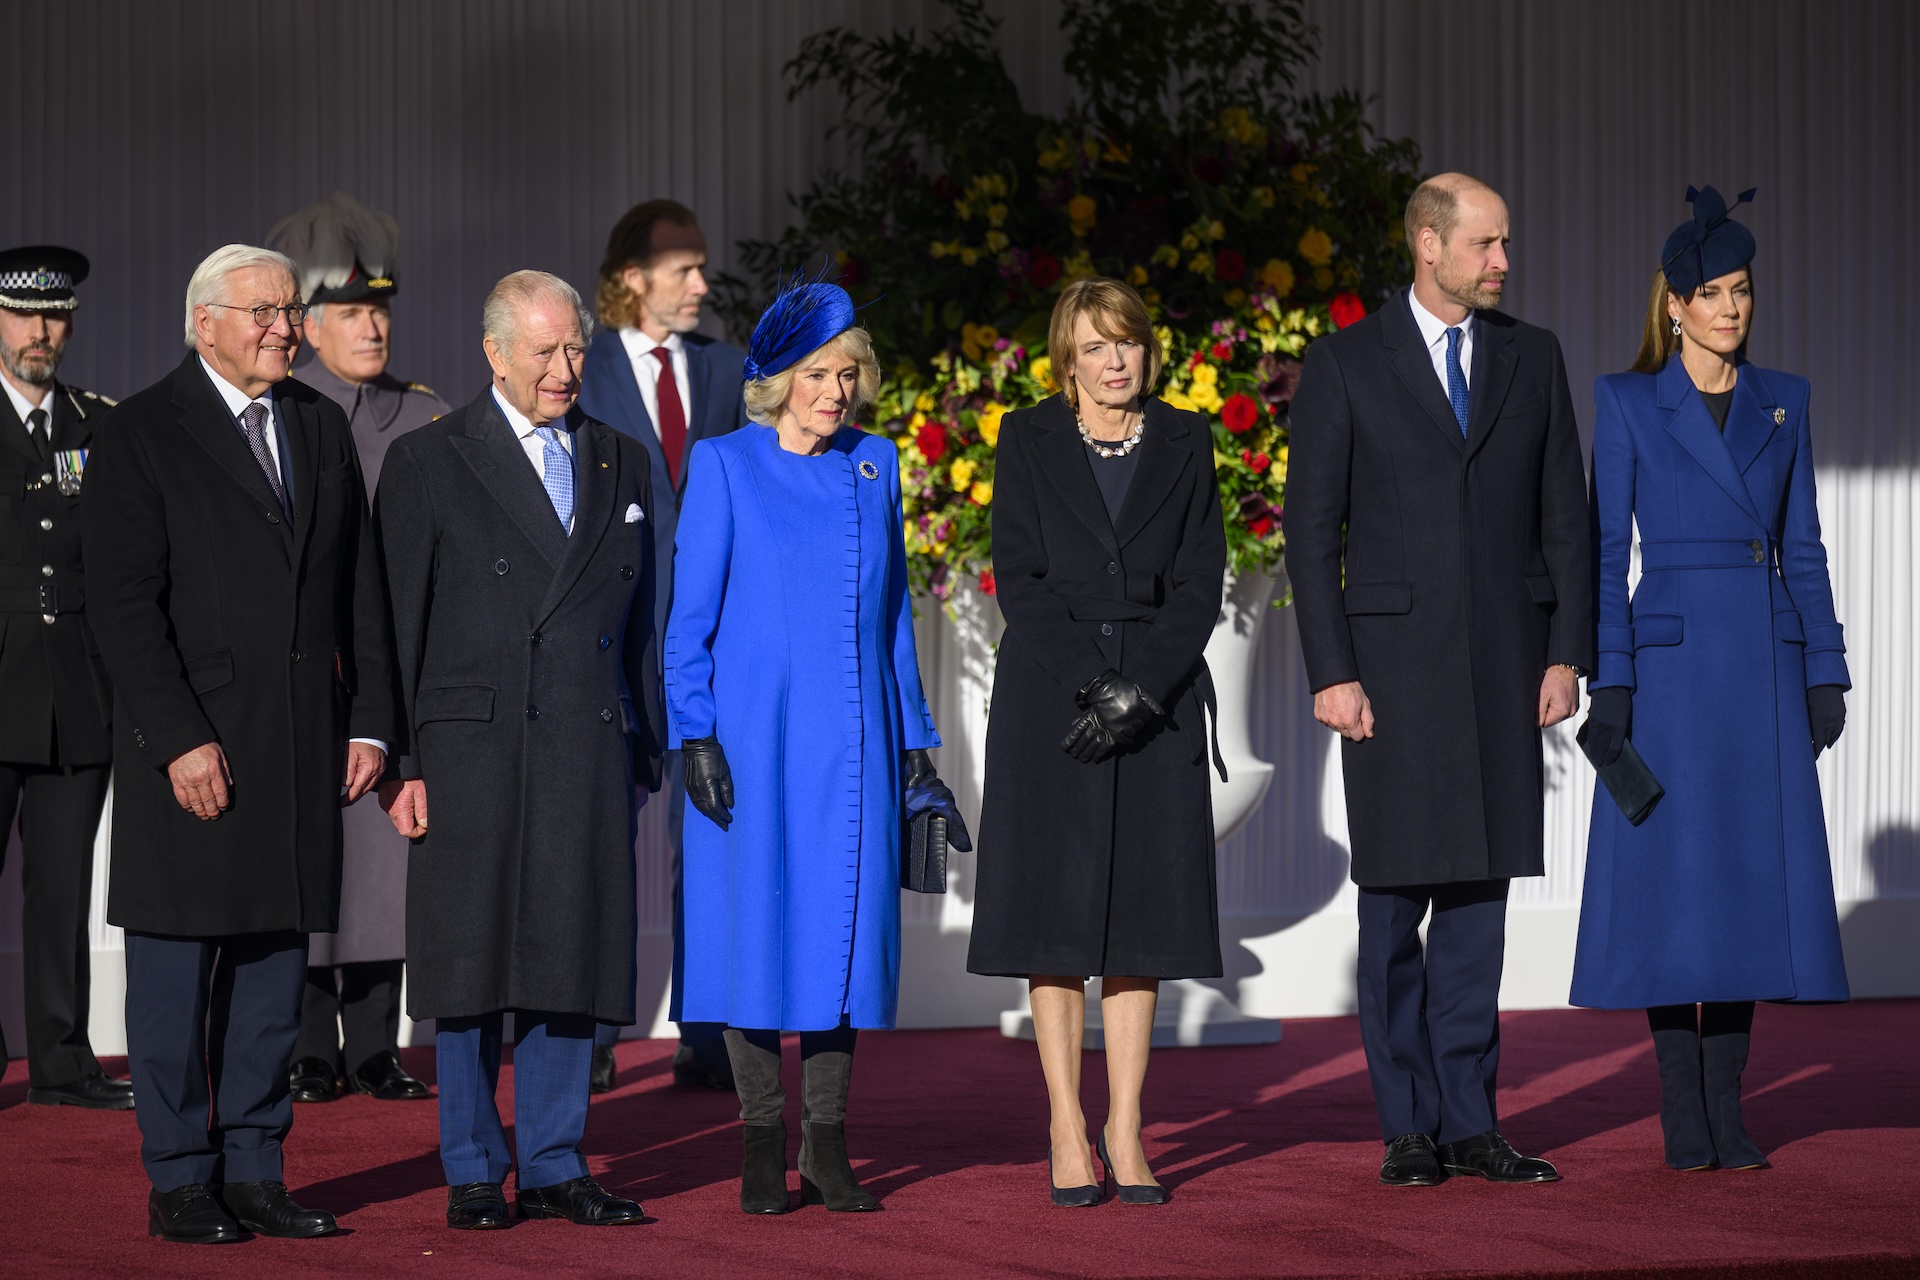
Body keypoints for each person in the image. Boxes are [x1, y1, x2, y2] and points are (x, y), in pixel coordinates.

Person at [82, 244, 396, 1243]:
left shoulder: (317, 424)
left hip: (301, 744)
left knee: (271, 969)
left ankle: (256, 1164)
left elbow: (360, 588)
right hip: (193, 752)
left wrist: (371, 718)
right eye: (261, 310)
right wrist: (179, 738)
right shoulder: (139, 431)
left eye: (286, 310)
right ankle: (179, 1173)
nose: (283, 327)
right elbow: (123, 606)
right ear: (202, 322)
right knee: (176, 974)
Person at [1285, 175, 1593, 1187]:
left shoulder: (1532, 356)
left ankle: (1472, 1123)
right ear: (1429, 244)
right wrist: (1332, 670)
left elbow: (1566, 518)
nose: (1504, 260)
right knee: (1393, 907)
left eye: (1504, 242)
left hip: (1506, 669)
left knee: (1477, 906)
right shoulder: (1342, 364)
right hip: (1388, 678)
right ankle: (1407, 1124)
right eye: (1487, 242)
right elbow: (1309, 532)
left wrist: (1565, 651)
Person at [665, 276, 963, 1215]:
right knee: (754, 935)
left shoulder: (875, 465)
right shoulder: (723, 464)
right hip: (751, 744)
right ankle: (760, 1142)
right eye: (819, 374)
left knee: (842, 945)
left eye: (850, 373)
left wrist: (917, 749)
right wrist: (695, 734)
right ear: (776, 378)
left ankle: (827, 1146)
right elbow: (689, 623)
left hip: (856, 746)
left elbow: (891, 626)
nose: (838, 391)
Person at [375, 270, 664, 1231]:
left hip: (587, 739)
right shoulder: (429, 459)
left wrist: (649, 740)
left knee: (568, 954)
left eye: (575, 348)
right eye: (542, 351)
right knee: (471, 963)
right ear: (493, 353)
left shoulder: (622, 458)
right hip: (471, 744)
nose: (564, 368)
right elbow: (390, 624)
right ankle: (469, 1164)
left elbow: (644, 625)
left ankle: (552, 1160)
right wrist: (402, 760)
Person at [1572, 186, 1850, 1172]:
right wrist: (1611, 681)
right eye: (1713, 291)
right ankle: (1679, 1110)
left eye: (1743, 289)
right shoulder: (1625, 400)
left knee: (1737, 886)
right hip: (1670, 670)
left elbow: (1804, 546)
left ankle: (1727, 1110)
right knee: (1671, 889)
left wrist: (1827, 664)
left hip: (1764, 667)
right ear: (1674, 303)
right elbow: (1607, 555)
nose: (1732, 306)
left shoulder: (1788, 398)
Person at [967, 277, 1227, 1207]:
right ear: (1065, 361)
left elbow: (1202, 579)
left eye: (1127, 344)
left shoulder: (1189, 437)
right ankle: (1065, 1125)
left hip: (1156, 704)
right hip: (1053, 699)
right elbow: (1019, 576)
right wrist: (1095, 683)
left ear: (1148, 352)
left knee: (1139, 923)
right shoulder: (1027, 438)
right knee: (1057, 917)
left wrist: (1143, 688)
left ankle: (1126, 1124)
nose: (1114, 361)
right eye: (1094, 347)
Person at [267, 193, 445, 1106]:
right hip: (303, 671)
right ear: (309, 323)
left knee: (386, 855)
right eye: (352, 310)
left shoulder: (425, 419)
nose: (373, 324)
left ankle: (376, 1043)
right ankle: (304, 1043)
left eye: (381, 308)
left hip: (397, 676)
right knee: (309, 850)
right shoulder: (281, 417)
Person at [578, 198, 747, 1094]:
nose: (700, 284)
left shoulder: (726, 369)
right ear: (632, 276)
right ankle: (597, 1028)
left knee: (706, 834)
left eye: (702, 267)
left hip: (707, 643)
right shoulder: (585, 366)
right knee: (605, 835)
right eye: (684, 268)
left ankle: (706, 1028)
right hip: (609, 639)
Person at [0, 245, 129, 1110]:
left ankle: (61, 1060)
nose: (40, 331)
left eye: (55, 316)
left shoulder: (100, 424)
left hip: (75, 694)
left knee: (62, 888)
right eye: (22, 313)